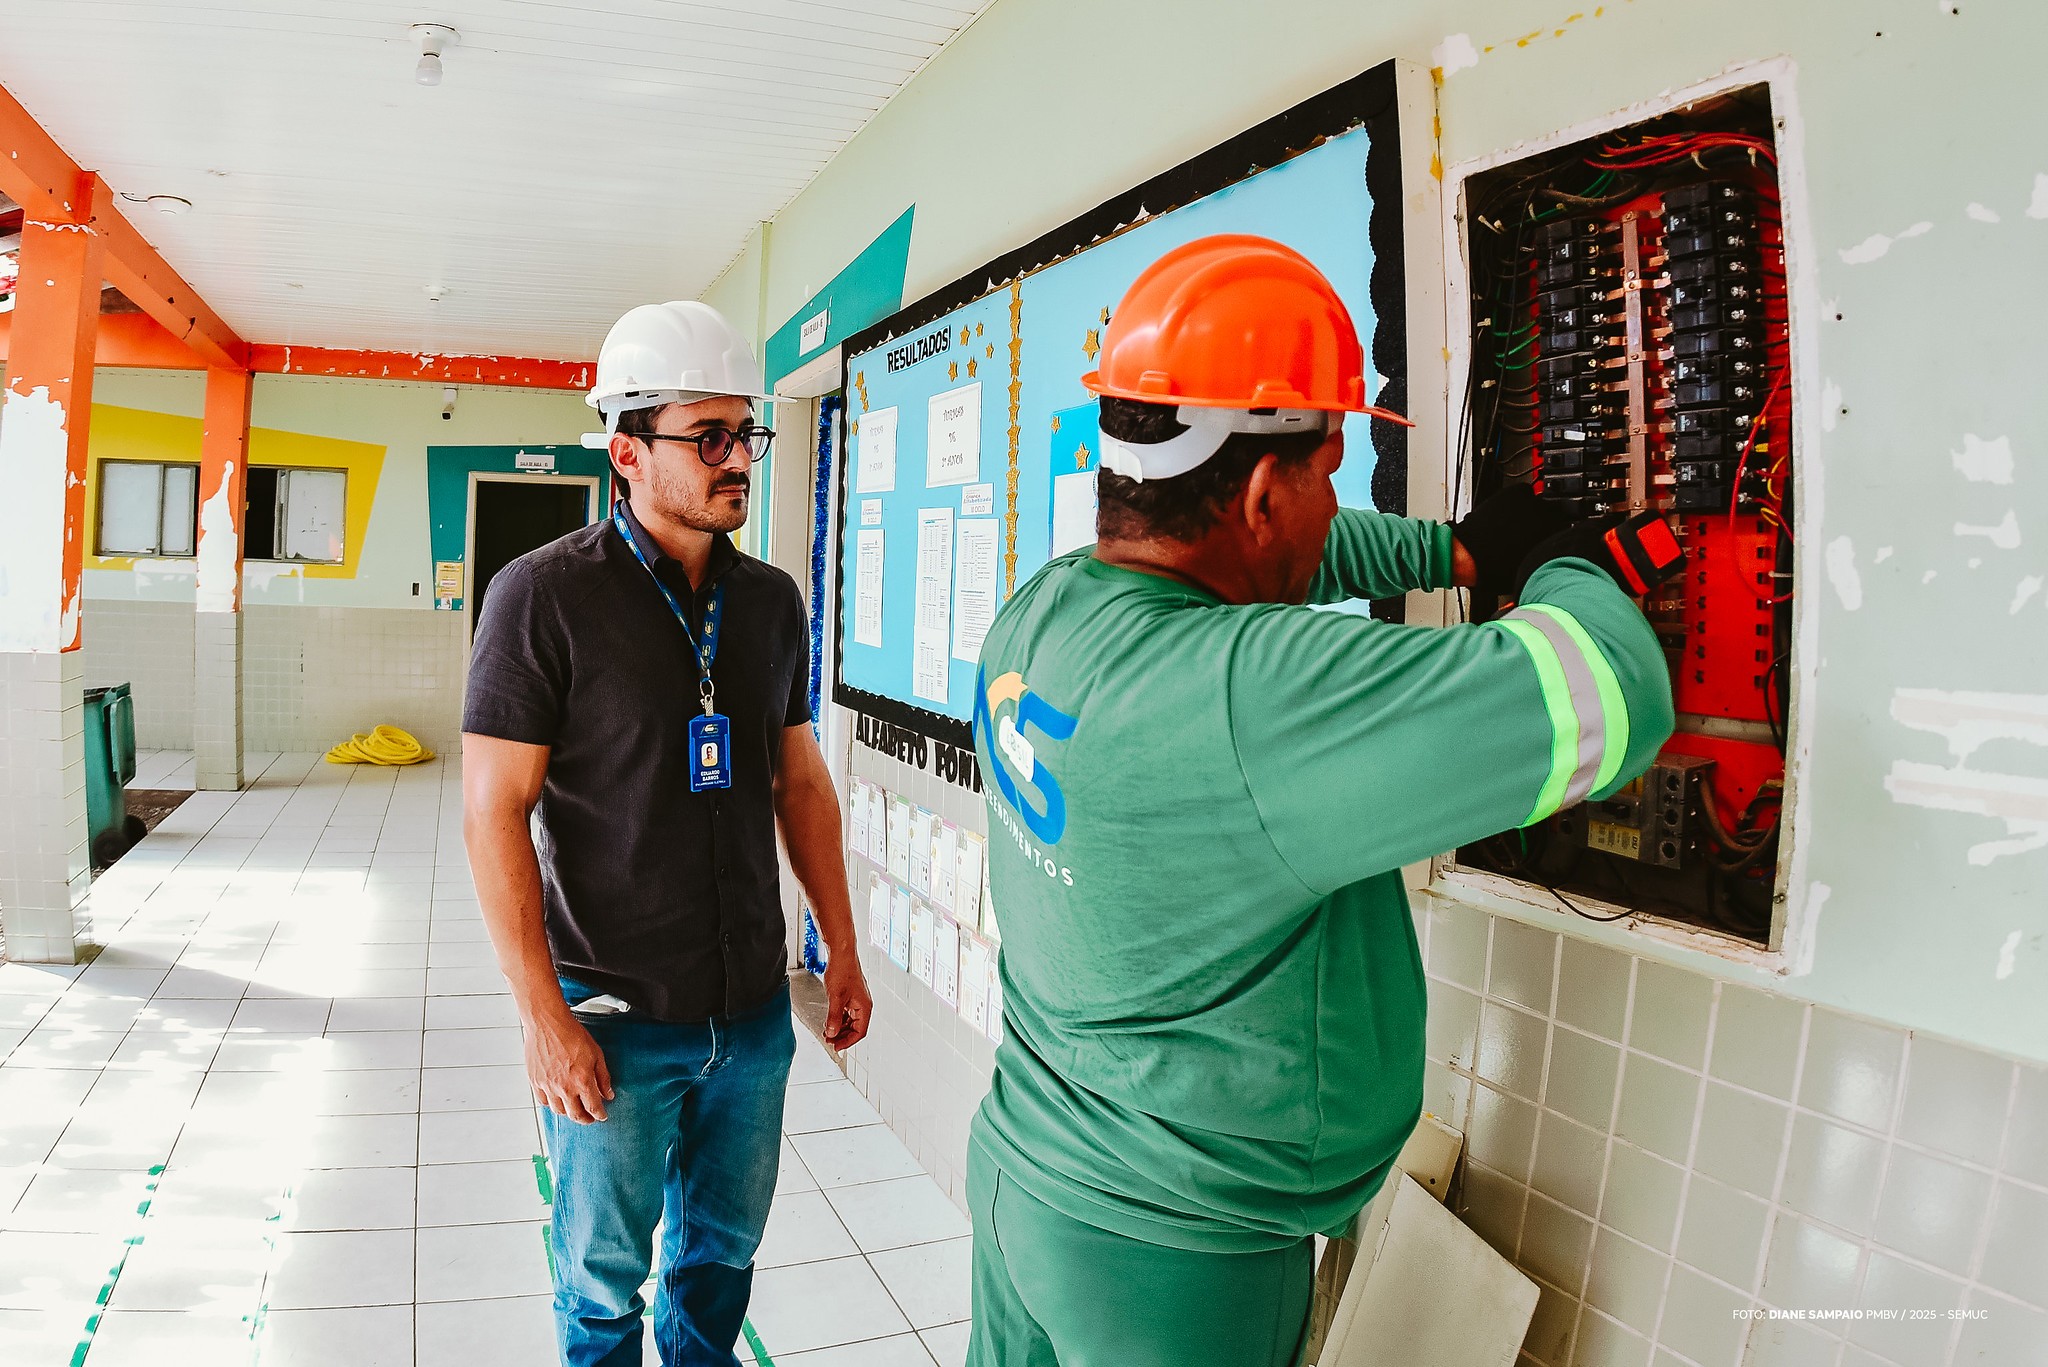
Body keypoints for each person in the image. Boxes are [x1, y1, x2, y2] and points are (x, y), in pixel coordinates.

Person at [965, 235, 1677, 1366]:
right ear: (1260, 492)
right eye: (1325, 472)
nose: (1331, 500)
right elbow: (1610, 690)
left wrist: (1449, 551)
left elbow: (1289, 555)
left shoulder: (1046, 607)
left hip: (1027, 1172)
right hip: (1171, 1262)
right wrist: (1562, 565)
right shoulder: (1244, 695)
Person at [462, 299, 873, 1367]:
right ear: (627, 452)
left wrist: (839, 945)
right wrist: (542, 1017)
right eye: (709, 435)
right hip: (612, 1020)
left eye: (746, 433)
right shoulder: (541, 598)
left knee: (721, 1258)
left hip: (751, 1018)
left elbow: (799, 782)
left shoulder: (770, 603)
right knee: (602, 1284)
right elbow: (493, 809)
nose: (738, 458)